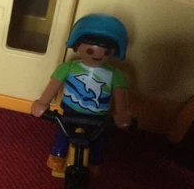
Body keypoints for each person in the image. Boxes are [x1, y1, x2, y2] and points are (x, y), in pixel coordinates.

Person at [31, 14, 132, 170]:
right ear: (77, 45)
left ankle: (95, 161)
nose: (98, 54)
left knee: (97, 140)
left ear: (114, 51)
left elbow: (120, 95)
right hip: (70, 112)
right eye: (90, 50)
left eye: (106, 52)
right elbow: (53, 85)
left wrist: (122, 113)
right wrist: (42, 103)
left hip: (99, 117)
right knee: (63, 134)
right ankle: (57, 154)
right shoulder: (68, 68)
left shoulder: (116, 75)